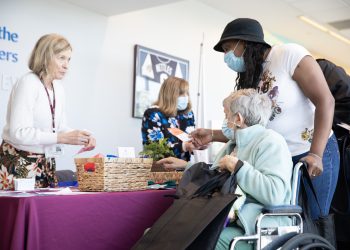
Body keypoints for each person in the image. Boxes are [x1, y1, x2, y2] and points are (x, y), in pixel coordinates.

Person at [191, 18, 340, 220]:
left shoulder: (288, 54)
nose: (226, 56)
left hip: (312, 152)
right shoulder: (252, 75)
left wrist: (316, 154)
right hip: (278, 159)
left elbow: (326, 101)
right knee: (286, 222)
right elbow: (250, 130)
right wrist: (212, 135)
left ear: (245, 42)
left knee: (314, 220)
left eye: (228, 48)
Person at [159, 89, 293, 250]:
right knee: (163, 234)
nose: (225, 121)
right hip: (223, 217)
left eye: (226, 114)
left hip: (256, 225)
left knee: (188, 243)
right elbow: (215, 178)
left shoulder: (271, 142)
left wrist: (238, 167)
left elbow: (274, 194)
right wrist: (185, 166)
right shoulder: (233, 144)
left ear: (238, 118)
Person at [0, 34, 96, 190]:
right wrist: (61, 138)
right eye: (61, 58)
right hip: (18, 161)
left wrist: (81, 136)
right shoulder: (28, 82)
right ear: (45, 57)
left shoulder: (58, 87)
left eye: (69, 59)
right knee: (18, 213)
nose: (66, 65)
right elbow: (19, 133)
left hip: (46, 162)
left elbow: (59, 127)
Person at [141, 76, 195, 161]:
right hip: (160, 170)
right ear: (170, 95)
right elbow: (155, 151)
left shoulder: (187, 114)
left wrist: (199, 144)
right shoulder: (153, 114)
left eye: (187, 93)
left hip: (184, 169)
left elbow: (191, 142)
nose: (185, 97)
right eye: (181, 94)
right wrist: (184, 146)